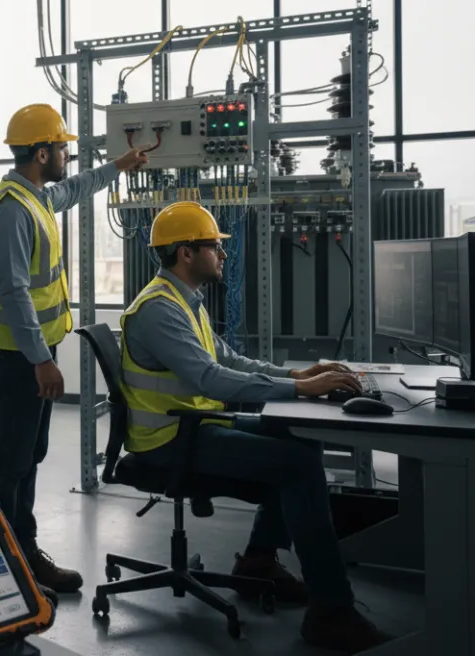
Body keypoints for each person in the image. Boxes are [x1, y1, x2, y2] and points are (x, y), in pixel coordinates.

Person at [119, 201, 395, 653]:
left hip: (193, 426)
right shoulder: (158, 310)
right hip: (168, 441)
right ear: (186, 253)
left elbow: (227, 359)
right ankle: (331, 611)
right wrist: (302, 393)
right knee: (298, 467)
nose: (224, 256)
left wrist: (296, 377)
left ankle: (258, 564)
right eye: (214, 247)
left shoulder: (183, 301)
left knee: (296, 440)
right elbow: (210, 379)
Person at [0, 103, 147, 600]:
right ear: (43, 151)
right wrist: (40, 360)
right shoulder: (10, 210)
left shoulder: (36, 198)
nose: (68, 156)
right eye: (63, 147)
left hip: (29, 352)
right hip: (16, 356)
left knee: (29, 453)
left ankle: (21, 551)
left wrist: (118, 167)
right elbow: (13, 293)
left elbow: (73, 189)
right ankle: (3, 566)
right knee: (9, 461)